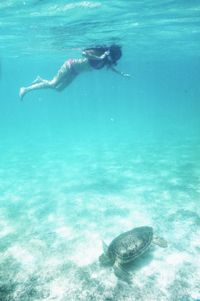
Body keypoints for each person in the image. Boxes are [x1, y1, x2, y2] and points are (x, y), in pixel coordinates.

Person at [19, 44, 130, 100]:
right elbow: (84, 53)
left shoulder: (107, 60)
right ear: (110, 53)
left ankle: (40, 79)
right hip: (69, 65)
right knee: (53, 84)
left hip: (75, 73)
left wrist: (122, 74)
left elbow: (111, 68)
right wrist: (99, 58)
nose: (112, 60)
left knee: (58, 89)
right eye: (113, 57)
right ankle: (25, 89)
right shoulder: (99, 53)